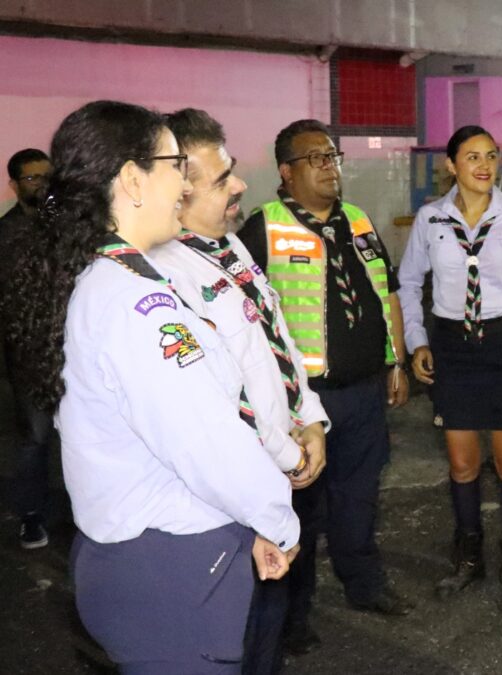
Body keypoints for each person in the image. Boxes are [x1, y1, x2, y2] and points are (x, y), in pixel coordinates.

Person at [6, 100, 299, 673]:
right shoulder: (137, 303)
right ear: (133, 180)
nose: (184, 185)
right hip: (170, 570)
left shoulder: (114, 275)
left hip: (153, 553)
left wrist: (251, 523)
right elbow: (207, 441)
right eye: (174, 165)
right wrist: (276, 518)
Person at [147, 108, 329, 675]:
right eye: (222, 178)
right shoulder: (163, 276)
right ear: (175, 195)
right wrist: (287, 451)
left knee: (267, 625)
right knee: (232, 636)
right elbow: (219, 399)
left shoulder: (226, 248)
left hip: (273, 474)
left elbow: (277, 345)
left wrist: (311, 417)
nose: (241, 184)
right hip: (227, 494)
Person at [239, 118, 411, 655]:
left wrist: (396, 361)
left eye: (332, 156)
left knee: (358, 498)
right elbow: (242, 319)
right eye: (316, 158)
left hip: (363, 393)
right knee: (300, 509)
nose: (330, 166)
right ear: (286, 172)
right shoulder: (261, 229)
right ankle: (292, 613)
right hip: (302, 405)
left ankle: (365, 585)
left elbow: (389, 291)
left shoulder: (358, 221)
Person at [398, 125, 502, 612]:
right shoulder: (430, 220)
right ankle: (468, 558)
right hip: (453, 348)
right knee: (463, 464)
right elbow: (408, 284)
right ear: (451, 165)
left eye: (491, 155)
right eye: (472, 157)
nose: (484, 165)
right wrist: (417, 341)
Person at [0, 147, 53, 549]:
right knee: (34, 438)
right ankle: (31, 515)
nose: (41, 184)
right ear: (15, 185)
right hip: (30, 357)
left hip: (76, 352)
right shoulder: (5, 235)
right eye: (32, 178)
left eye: (46, 176)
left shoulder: (68, 227)